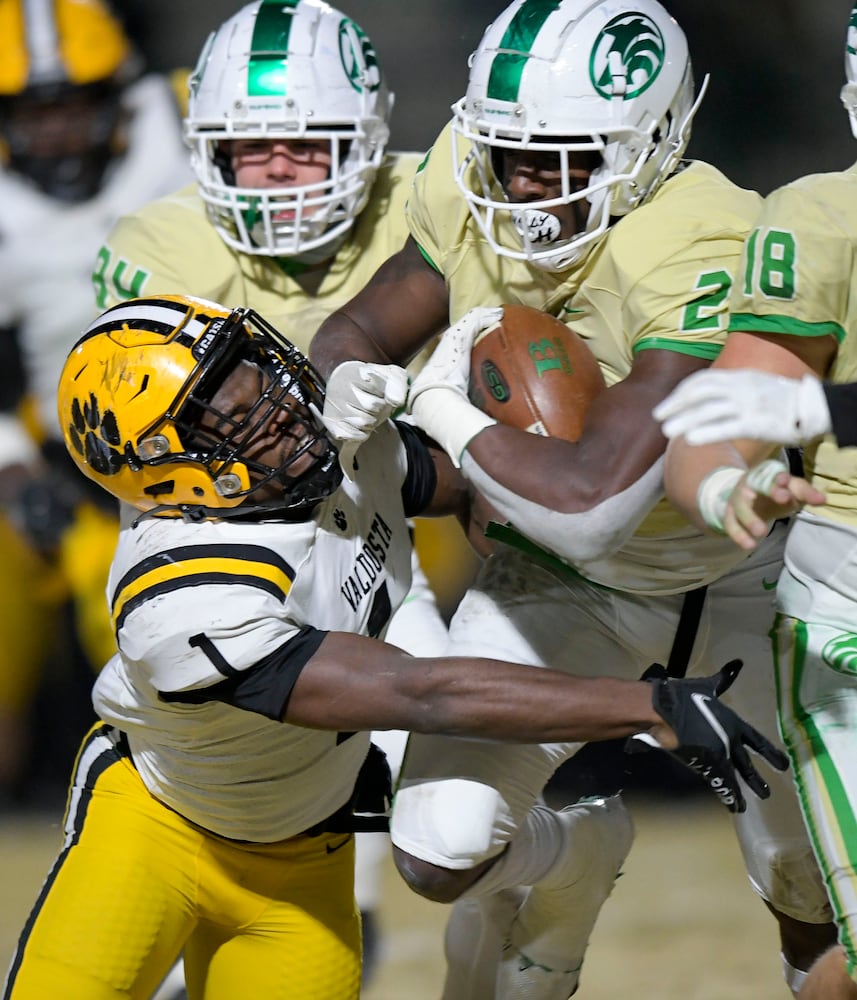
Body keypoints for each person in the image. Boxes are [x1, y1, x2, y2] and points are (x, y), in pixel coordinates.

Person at [0, 291, 787, 1000]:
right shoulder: (182, 592)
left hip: (307, 855)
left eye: (247, 366)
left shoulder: (339, 447)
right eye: (218, 410)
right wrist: (644, 705)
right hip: (153, 830)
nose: (268, 403)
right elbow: (423, 692)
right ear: (164, 472)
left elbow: (499, 497)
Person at [308, 0, 839, 996]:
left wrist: (439, 407)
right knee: (436, 846)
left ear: (655, 145)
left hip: (745, 581)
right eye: (511, 155)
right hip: (559, 584)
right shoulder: (458, 178)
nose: (528, 189)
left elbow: (597, 497)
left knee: (811, 897)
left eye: (565, 162)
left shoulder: (700, 232)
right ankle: (573, 854)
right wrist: (343, 384)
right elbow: (355, 331)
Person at [90, 0, 458, 976]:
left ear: (368, 140)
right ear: (205, 149)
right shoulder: (160, 245)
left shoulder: (429, 198)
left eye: (306, 142)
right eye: (250, 148)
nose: (278, 170)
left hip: (386, 550)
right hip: (234, 573)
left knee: (463, 834)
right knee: (217, 808)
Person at [652, 7, 857, 996]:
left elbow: (791, 397)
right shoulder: (823, 221)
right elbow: (714, 418)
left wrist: (821, 404)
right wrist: (724, 480)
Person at [0, 0, 191, 801]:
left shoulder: (186, 117)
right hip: (63, 464)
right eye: (32, 114)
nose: (57, 133)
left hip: (219, 432)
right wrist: (9, 462)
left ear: (119, 92)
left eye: (75, 105)